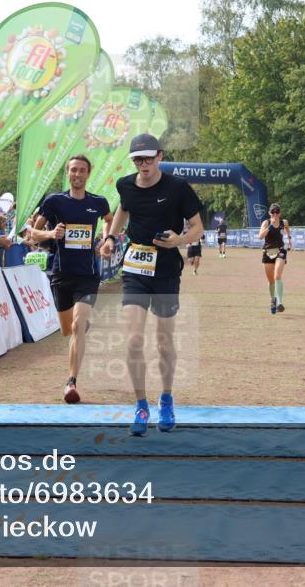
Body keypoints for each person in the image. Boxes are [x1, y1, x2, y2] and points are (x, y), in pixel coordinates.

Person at [100, 134, 203, 436]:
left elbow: (197, 227)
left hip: (167, 270)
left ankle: (167, 398)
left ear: (159, 156)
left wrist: (179, 241)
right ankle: (141, 404)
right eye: (137, 159)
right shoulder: (126, 185)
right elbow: (123, 209)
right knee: (133, 341)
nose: (142, 164)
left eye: (147, 158)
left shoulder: (177, 188)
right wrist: (110, 237)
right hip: (135, 269)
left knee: (164, 342)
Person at [30, 154, 113, 404]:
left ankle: (71, 382)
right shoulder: (54, 201)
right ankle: (79, 326)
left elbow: (110, 220)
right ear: (68, 173)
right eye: (73, 170)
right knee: (68, 330)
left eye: (82, 170)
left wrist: (106, 239)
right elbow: (33, 233)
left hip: (88, 275)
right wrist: (51, 233)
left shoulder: (98, 202)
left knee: (77, 326)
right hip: (61, 274)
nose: (77, 174)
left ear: (88, 174)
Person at [260, 203, 292, 313]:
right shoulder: (266, 223)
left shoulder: (284, 222)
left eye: (277, 212)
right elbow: (260, 236)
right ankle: (273, 299)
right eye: (273, 212)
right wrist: (270, 226)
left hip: (280, 250)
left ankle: (280, 303)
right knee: (271, 281)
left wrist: (289, 239)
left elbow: (287, 228)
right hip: (268, 252)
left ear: (280, 213)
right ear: (269, 213)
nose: (275, 214)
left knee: (277, 275)